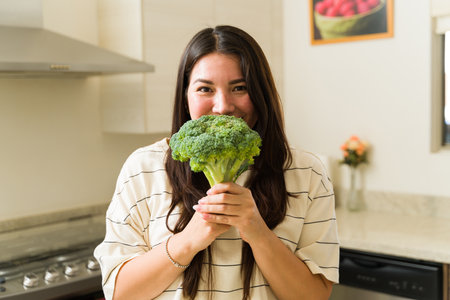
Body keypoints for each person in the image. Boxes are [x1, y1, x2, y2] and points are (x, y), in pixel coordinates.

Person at [94, 25, 339, 300]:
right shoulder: (143, 168)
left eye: (240, 87)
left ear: (261, 93)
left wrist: (257, 232)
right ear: (185, 97)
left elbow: (314, 297)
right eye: (205, 89)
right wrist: (189, 240)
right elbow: (119, 293)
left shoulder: (307, 172)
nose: (223, 106)